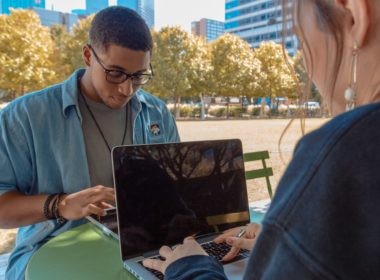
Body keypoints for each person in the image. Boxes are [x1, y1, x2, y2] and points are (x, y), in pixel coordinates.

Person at [143, 0, 380, 279]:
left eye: (301, 41)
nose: (307, 68)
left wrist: (191, 268)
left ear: (354, 14)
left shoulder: (343, 156)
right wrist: (285, 245)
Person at [0, 6, 179, 280]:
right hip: (50, 253)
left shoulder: (157, 113)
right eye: (116, 73)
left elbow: (172, 192)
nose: (126, 90)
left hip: (146, 247)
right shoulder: (24, 116)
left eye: (139, 76)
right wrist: (60, 205)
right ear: (87, 56)